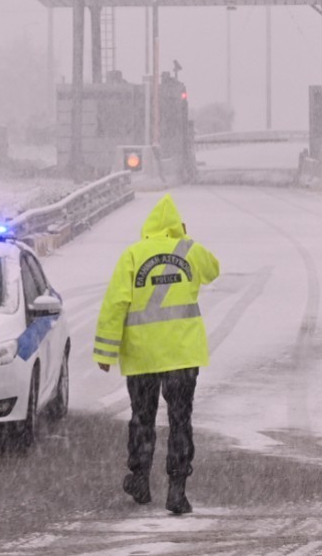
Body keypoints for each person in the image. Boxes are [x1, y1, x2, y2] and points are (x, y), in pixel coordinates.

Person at [94, 195, 220, 513]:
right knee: (180, 421)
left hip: (142, 356)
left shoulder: (133, 255)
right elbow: (213, 270)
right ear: (177, 225)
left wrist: (105, 352)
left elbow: (115, 304)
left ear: (149, 226)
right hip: (182, 354)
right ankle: (177, 490)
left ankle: (140, 479)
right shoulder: (189, 250)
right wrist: (184, 240)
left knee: (142, 418)